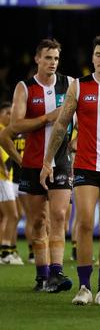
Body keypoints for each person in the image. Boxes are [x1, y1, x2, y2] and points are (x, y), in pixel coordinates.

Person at [40, 33, 100, 305]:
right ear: (92, 57)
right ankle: (85, 287)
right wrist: (47, 160)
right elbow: (62, 124)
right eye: (98, 54)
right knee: (85, 223)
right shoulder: (79, 86)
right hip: (87, 165)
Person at [11, 38, 74, 292]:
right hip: (33, 162)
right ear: (37, 59)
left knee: (59, 215)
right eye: (48, 58)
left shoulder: (69, 84)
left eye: (56, 58)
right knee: (38, 221)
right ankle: (42, 276)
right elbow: (16, 125)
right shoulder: (24, 88)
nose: (52, 63)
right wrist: (48, 118)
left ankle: (57, 273)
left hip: (60, 162)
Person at [0, 102, 21, 265]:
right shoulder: (1, 130)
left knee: (4, 217)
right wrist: (4, 169)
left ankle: (6, 250)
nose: (9, 116)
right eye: (7, 113)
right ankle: (6, 253)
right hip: (2, 178)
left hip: (6, 178)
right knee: (12, 215)